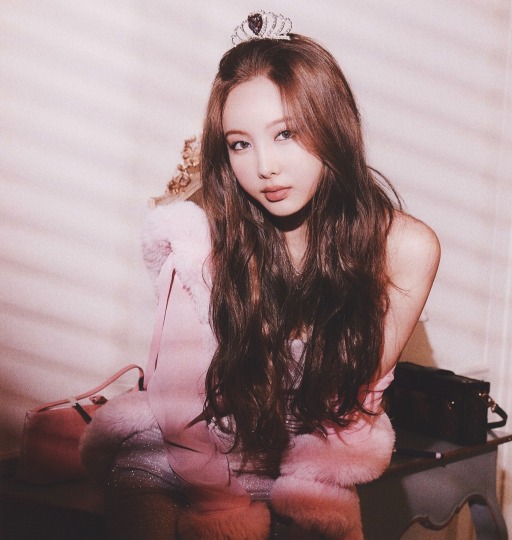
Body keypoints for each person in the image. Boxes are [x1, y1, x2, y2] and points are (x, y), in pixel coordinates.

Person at [81, 11, 440, 540]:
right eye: (240, 144)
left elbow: (350, 398)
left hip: (305, 464)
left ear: (332, 126)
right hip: (184, 454)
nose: (264, 166)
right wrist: (220, 509)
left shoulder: (403, 247)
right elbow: (180, 403)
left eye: (286, 133)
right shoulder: (203, 236)